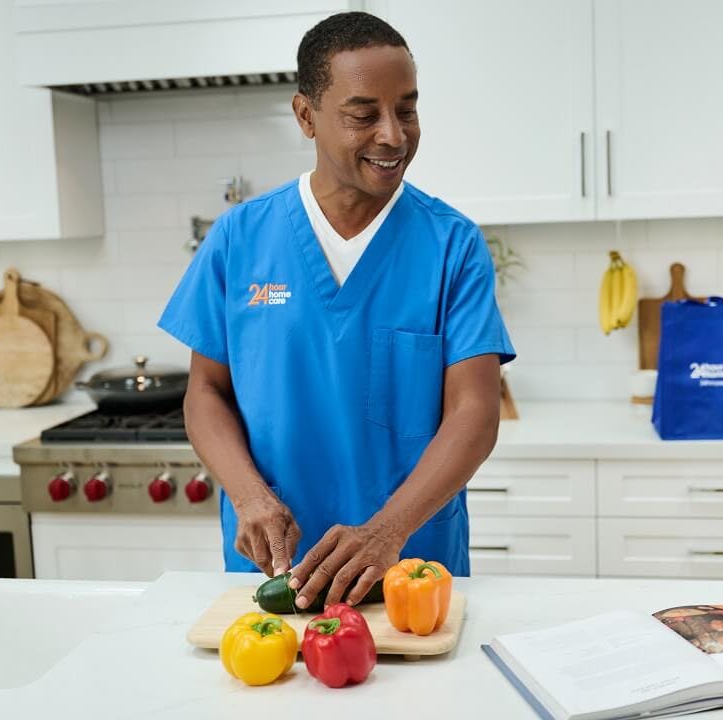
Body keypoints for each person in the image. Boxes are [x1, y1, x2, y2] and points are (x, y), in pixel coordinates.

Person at [159, 11, 515, 611]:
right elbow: (205, 393)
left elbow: (475, 412)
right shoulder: (240, 238)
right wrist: (248, 497)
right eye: (363, 114)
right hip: (275, 569)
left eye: (406, 108)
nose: (393, 135)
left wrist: (386, 533)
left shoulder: (452, 243)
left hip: (413, 568)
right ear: (306, 116)